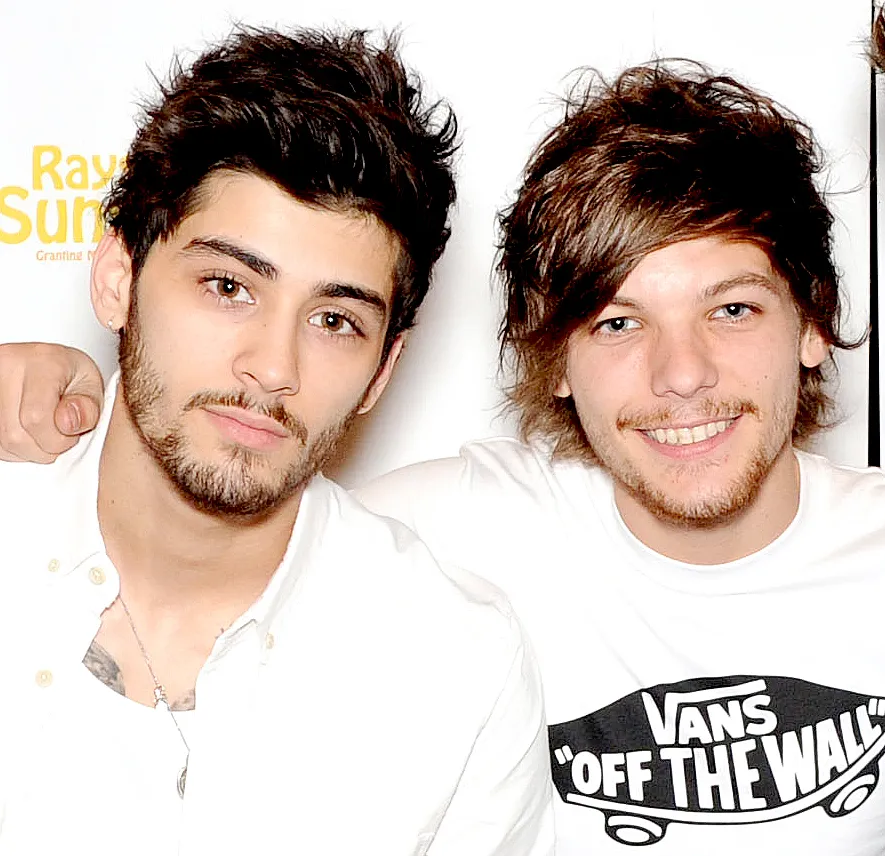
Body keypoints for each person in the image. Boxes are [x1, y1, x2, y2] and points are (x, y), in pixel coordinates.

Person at [1, 57, 883, 856]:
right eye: (617, 322)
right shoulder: (465, 529)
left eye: (731, 310)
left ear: (812, 320)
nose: (682, 375)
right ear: (556, 362)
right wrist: (54, 388)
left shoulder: (452, 644)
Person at [0, 27, 554, 856]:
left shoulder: (456, 660)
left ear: (381, 370)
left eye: (334, 320)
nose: (271, 366)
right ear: (118, 278)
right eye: (228, 287)